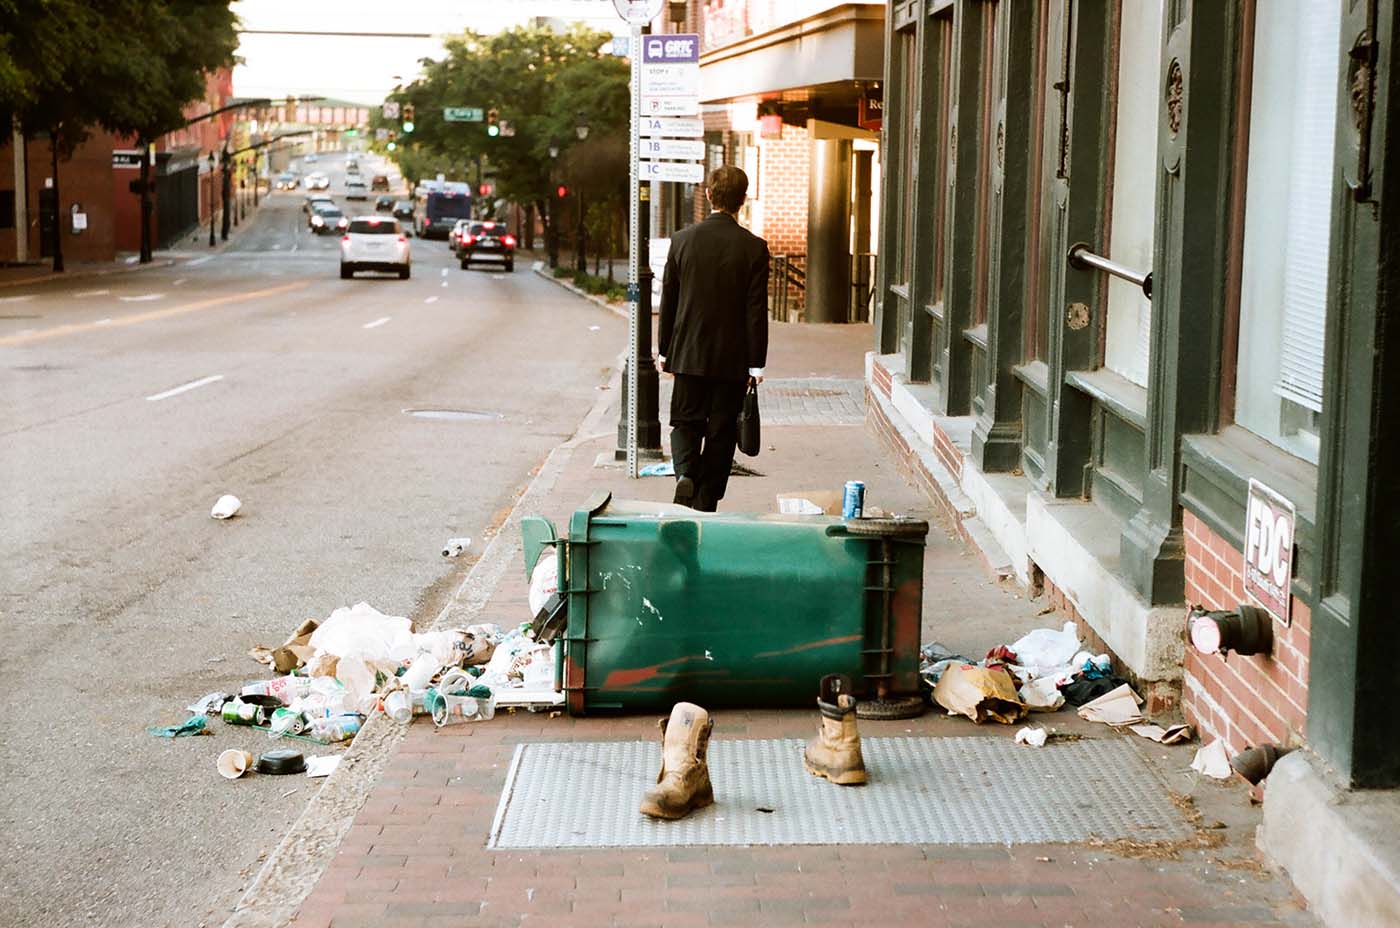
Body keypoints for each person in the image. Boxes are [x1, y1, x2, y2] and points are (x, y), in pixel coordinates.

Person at [657, 165, 769, 512]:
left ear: (708, 196)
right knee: (722, 430)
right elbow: (756, 311)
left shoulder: (681, 241)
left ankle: (685, 474)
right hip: (732, 359)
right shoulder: (754, 248)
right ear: (743, 200)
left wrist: (664, 352)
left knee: (685, 421)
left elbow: (669, 301)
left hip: (688, 353)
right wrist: (756, 362)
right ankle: (706, 501)